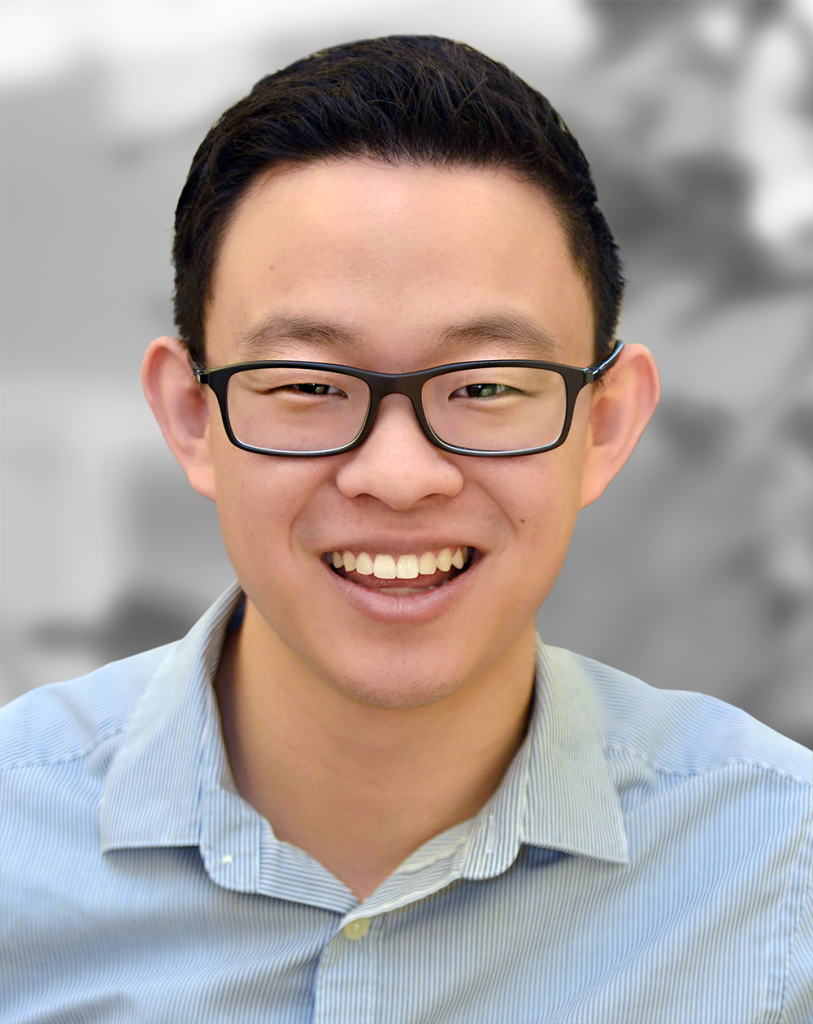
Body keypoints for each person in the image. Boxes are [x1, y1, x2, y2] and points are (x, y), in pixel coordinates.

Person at [1, 35, 810, 1024]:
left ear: (605, 425)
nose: (398, 475)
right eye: (307, 385)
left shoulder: (780, 871)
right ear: (189, 416)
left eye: (483, 386)